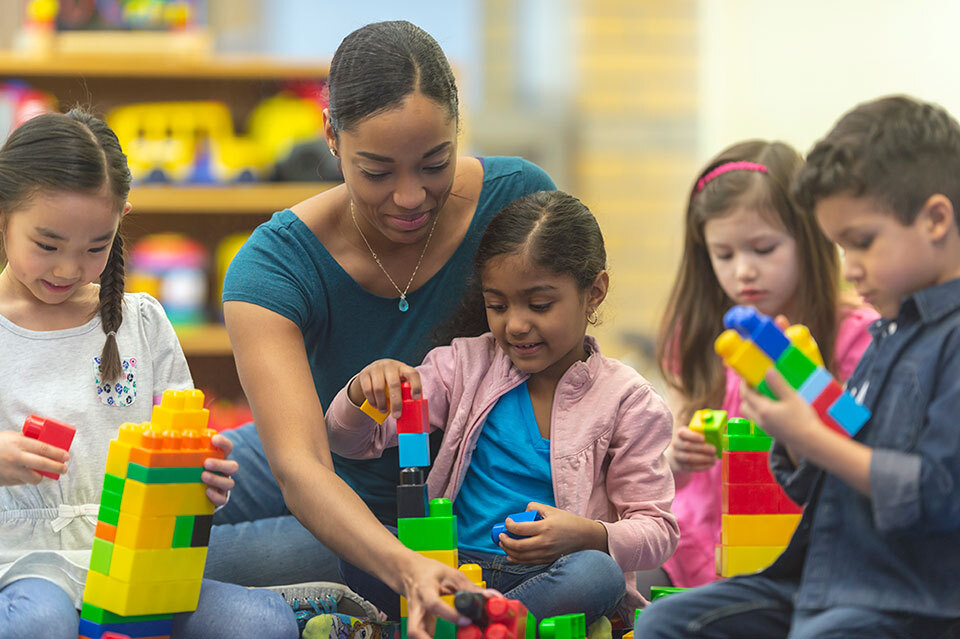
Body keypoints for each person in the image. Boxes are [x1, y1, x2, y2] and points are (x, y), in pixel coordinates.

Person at [218, 20, 556, 638]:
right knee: (147, 510)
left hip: (422, 510)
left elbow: (576, 386)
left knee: (299, 560)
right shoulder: (273, 267)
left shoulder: (519, 203)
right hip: (316, 467)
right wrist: (409, 570)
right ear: (330, 137)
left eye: (435, 164)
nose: (409, 197)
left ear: (459, 130)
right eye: (376, 171)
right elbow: (302, 469)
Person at [636, 95, 960, 638]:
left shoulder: (934, 340)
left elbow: (935, 492)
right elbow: (828, 468)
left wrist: (809, 435)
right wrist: (786, 433)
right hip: (818, 577)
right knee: (667, 621)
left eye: (861, 243)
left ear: (935, 219)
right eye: (841, 246)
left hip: (906, 593)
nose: (849, 268)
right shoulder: (890, 331)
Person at [0, 111, 297, 638]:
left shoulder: (141, 322)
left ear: (121, 220)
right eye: (47, 245)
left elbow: (183, 446)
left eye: (96, 246)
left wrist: (202, 479)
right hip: (19, 566)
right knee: (41, 620)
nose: (69, 269)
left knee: (263, 624)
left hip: (139, 565)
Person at [326, 190, 678, 624]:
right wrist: (363, 395)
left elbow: (659, 530)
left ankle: (468, 624)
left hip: (553, 573)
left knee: (598, 574)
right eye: (497, 305)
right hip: (449, 568)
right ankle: (487, 623)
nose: (515, 324)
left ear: (594, 293)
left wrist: (587, 535)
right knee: (358, 544)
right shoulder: (464, 364)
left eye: (540, 304)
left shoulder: (629, 400)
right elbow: (349, 443)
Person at [647, 140, 877, 591]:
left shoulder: (854, 334)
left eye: (763, 248)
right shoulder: (696, 336)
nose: (744, 271)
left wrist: (803, 401)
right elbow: (664, 457)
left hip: (800, 552)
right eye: (725, 254)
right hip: (696, 544)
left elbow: (859, 438)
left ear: (808, 239)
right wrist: (676, 457)